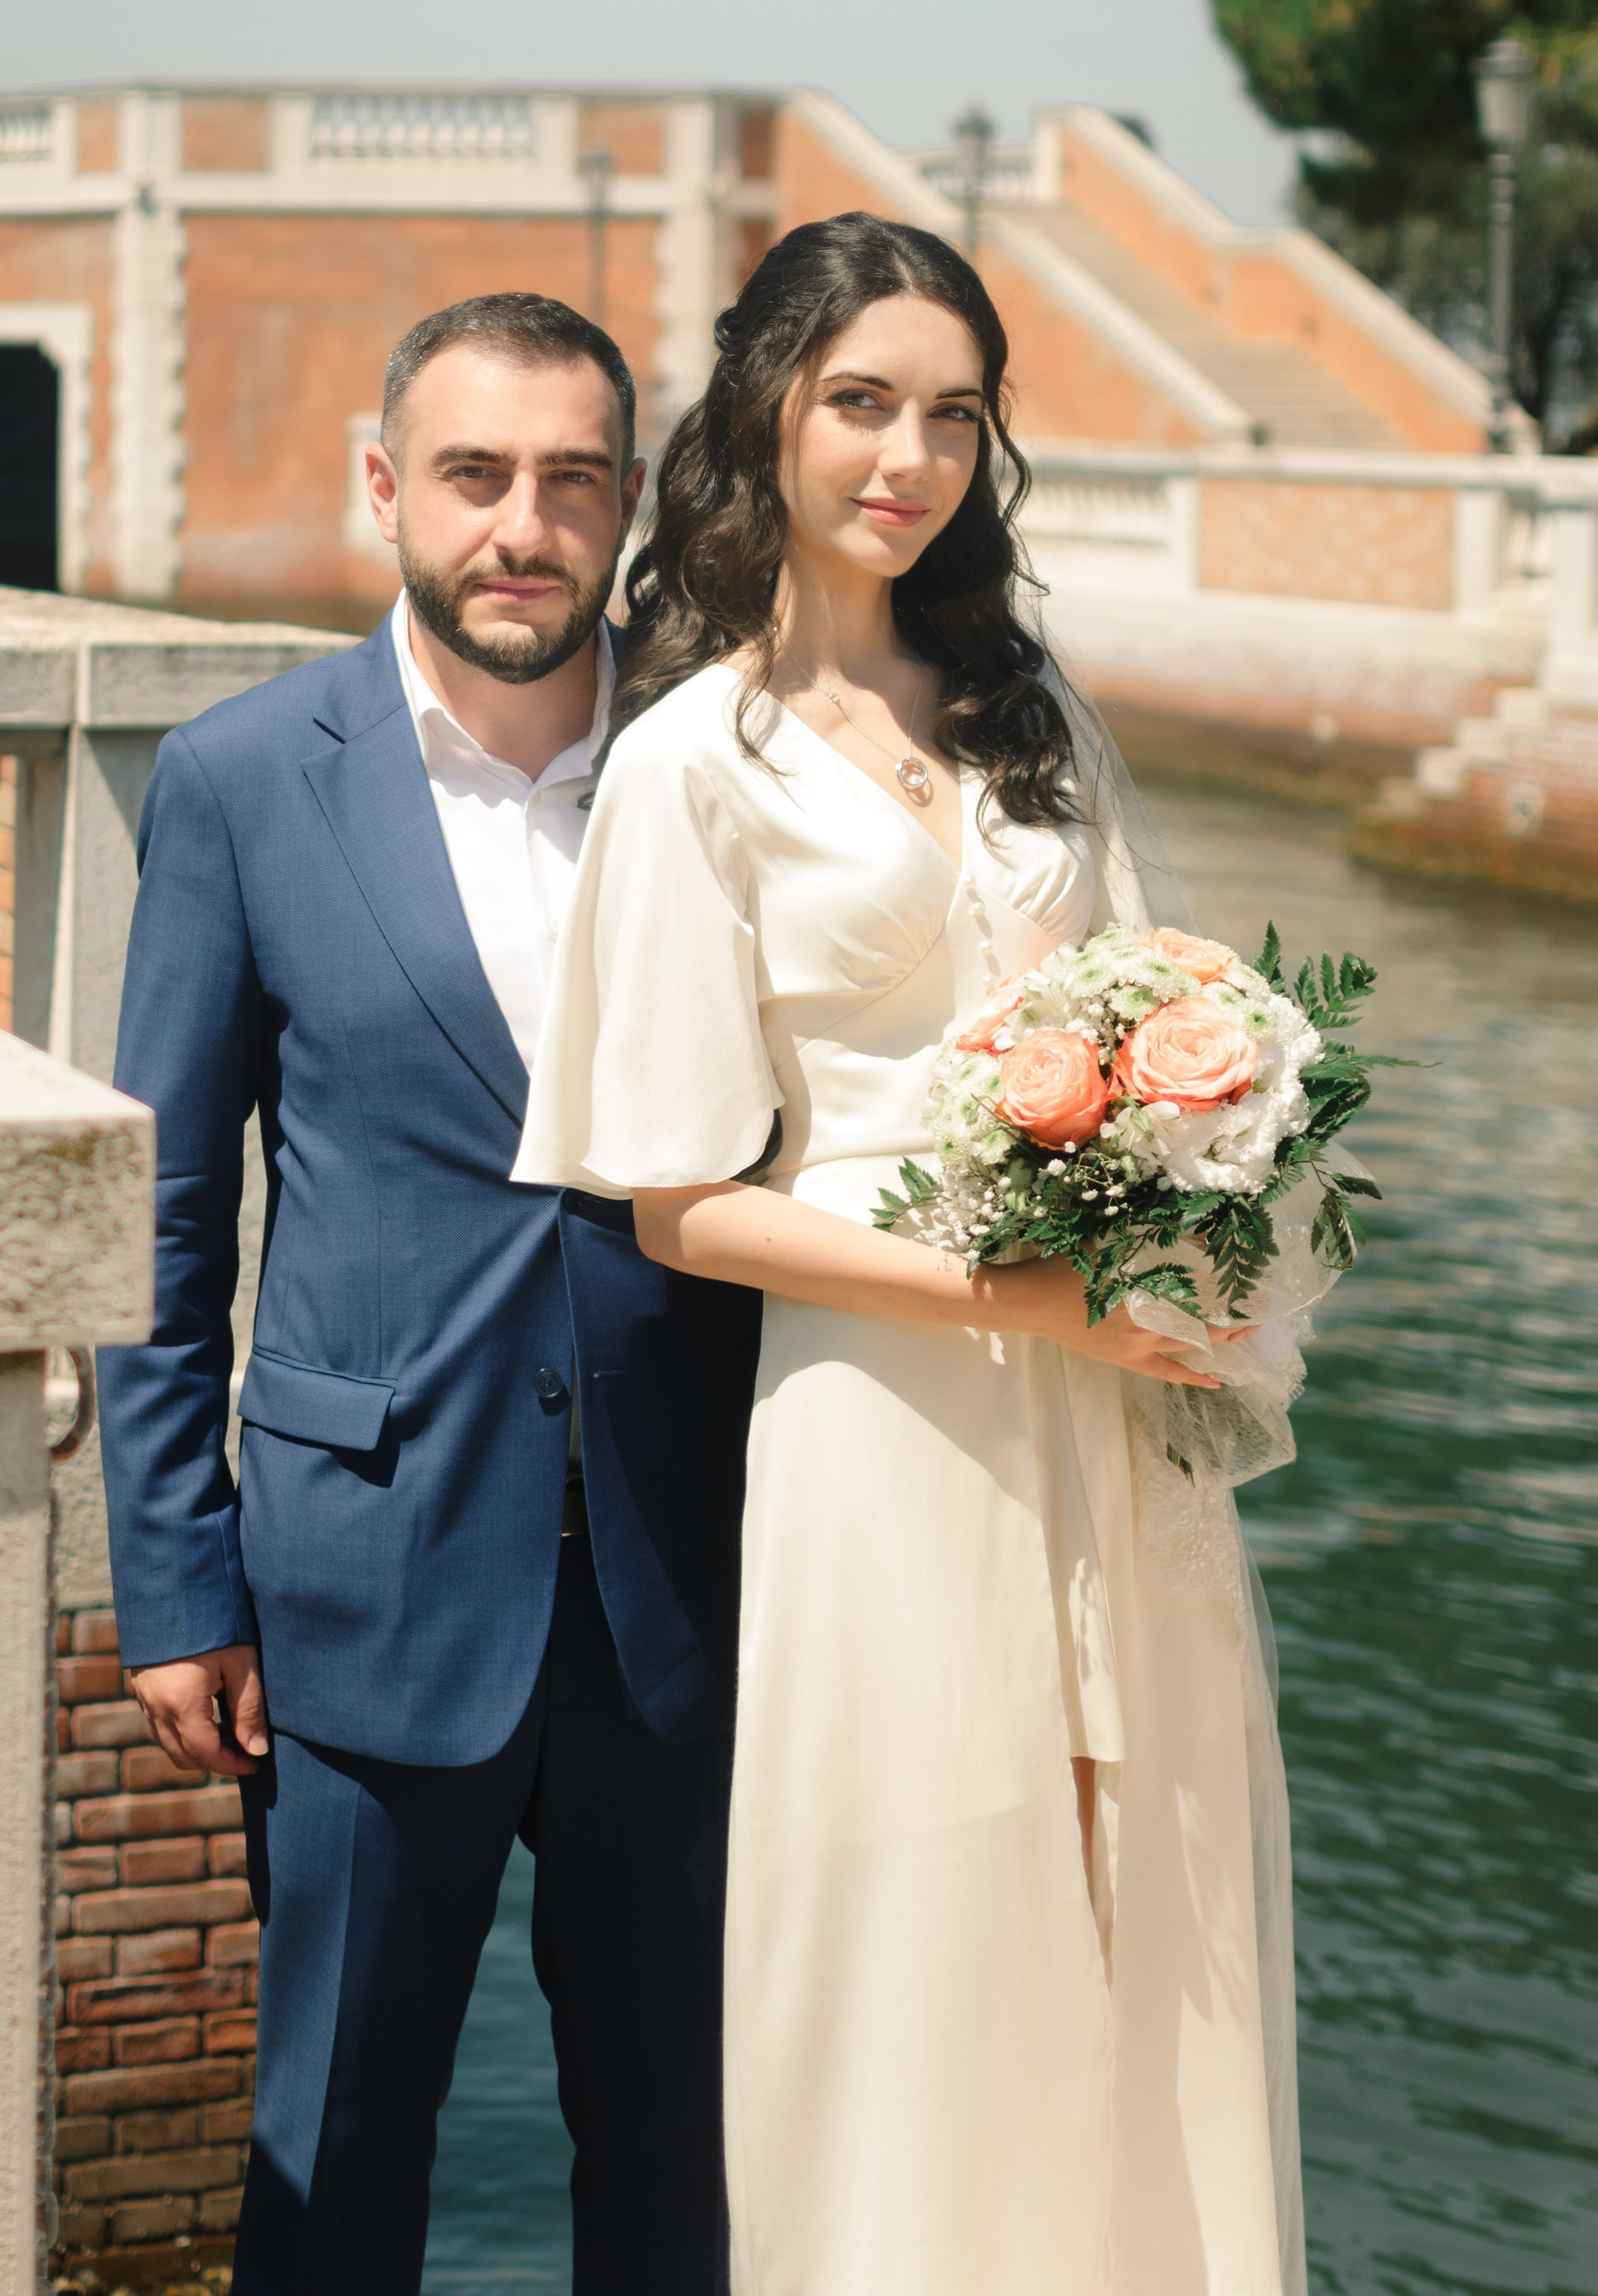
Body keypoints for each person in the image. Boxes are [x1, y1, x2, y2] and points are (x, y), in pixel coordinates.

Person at [518, 213, 1307, 2296]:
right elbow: (677, 1200)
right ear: (765, 412)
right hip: (885, 1424)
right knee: (926, 1949)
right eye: (859, 402)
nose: (908, 456)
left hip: (1113, 1410)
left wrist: (1202, 1200)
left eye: (951, 414)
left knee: (1154, 1909)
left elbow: (1151, 1005)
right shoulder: (694, 761)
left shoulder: (1018, 703)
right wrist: (1017, 1294)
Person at [96, 291, 761, 2296]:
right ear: (386, 487)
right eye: (473, 475)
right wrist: (178, 1583)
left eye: (569, 480)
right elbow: (163, 1218)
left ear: (628, 504)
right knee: (333, 2150)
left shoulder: (731, 765)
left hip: (690, 1589)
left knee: (684, 2156)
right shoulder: (236, 781)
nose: (520, 527)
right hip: (361, 1587)